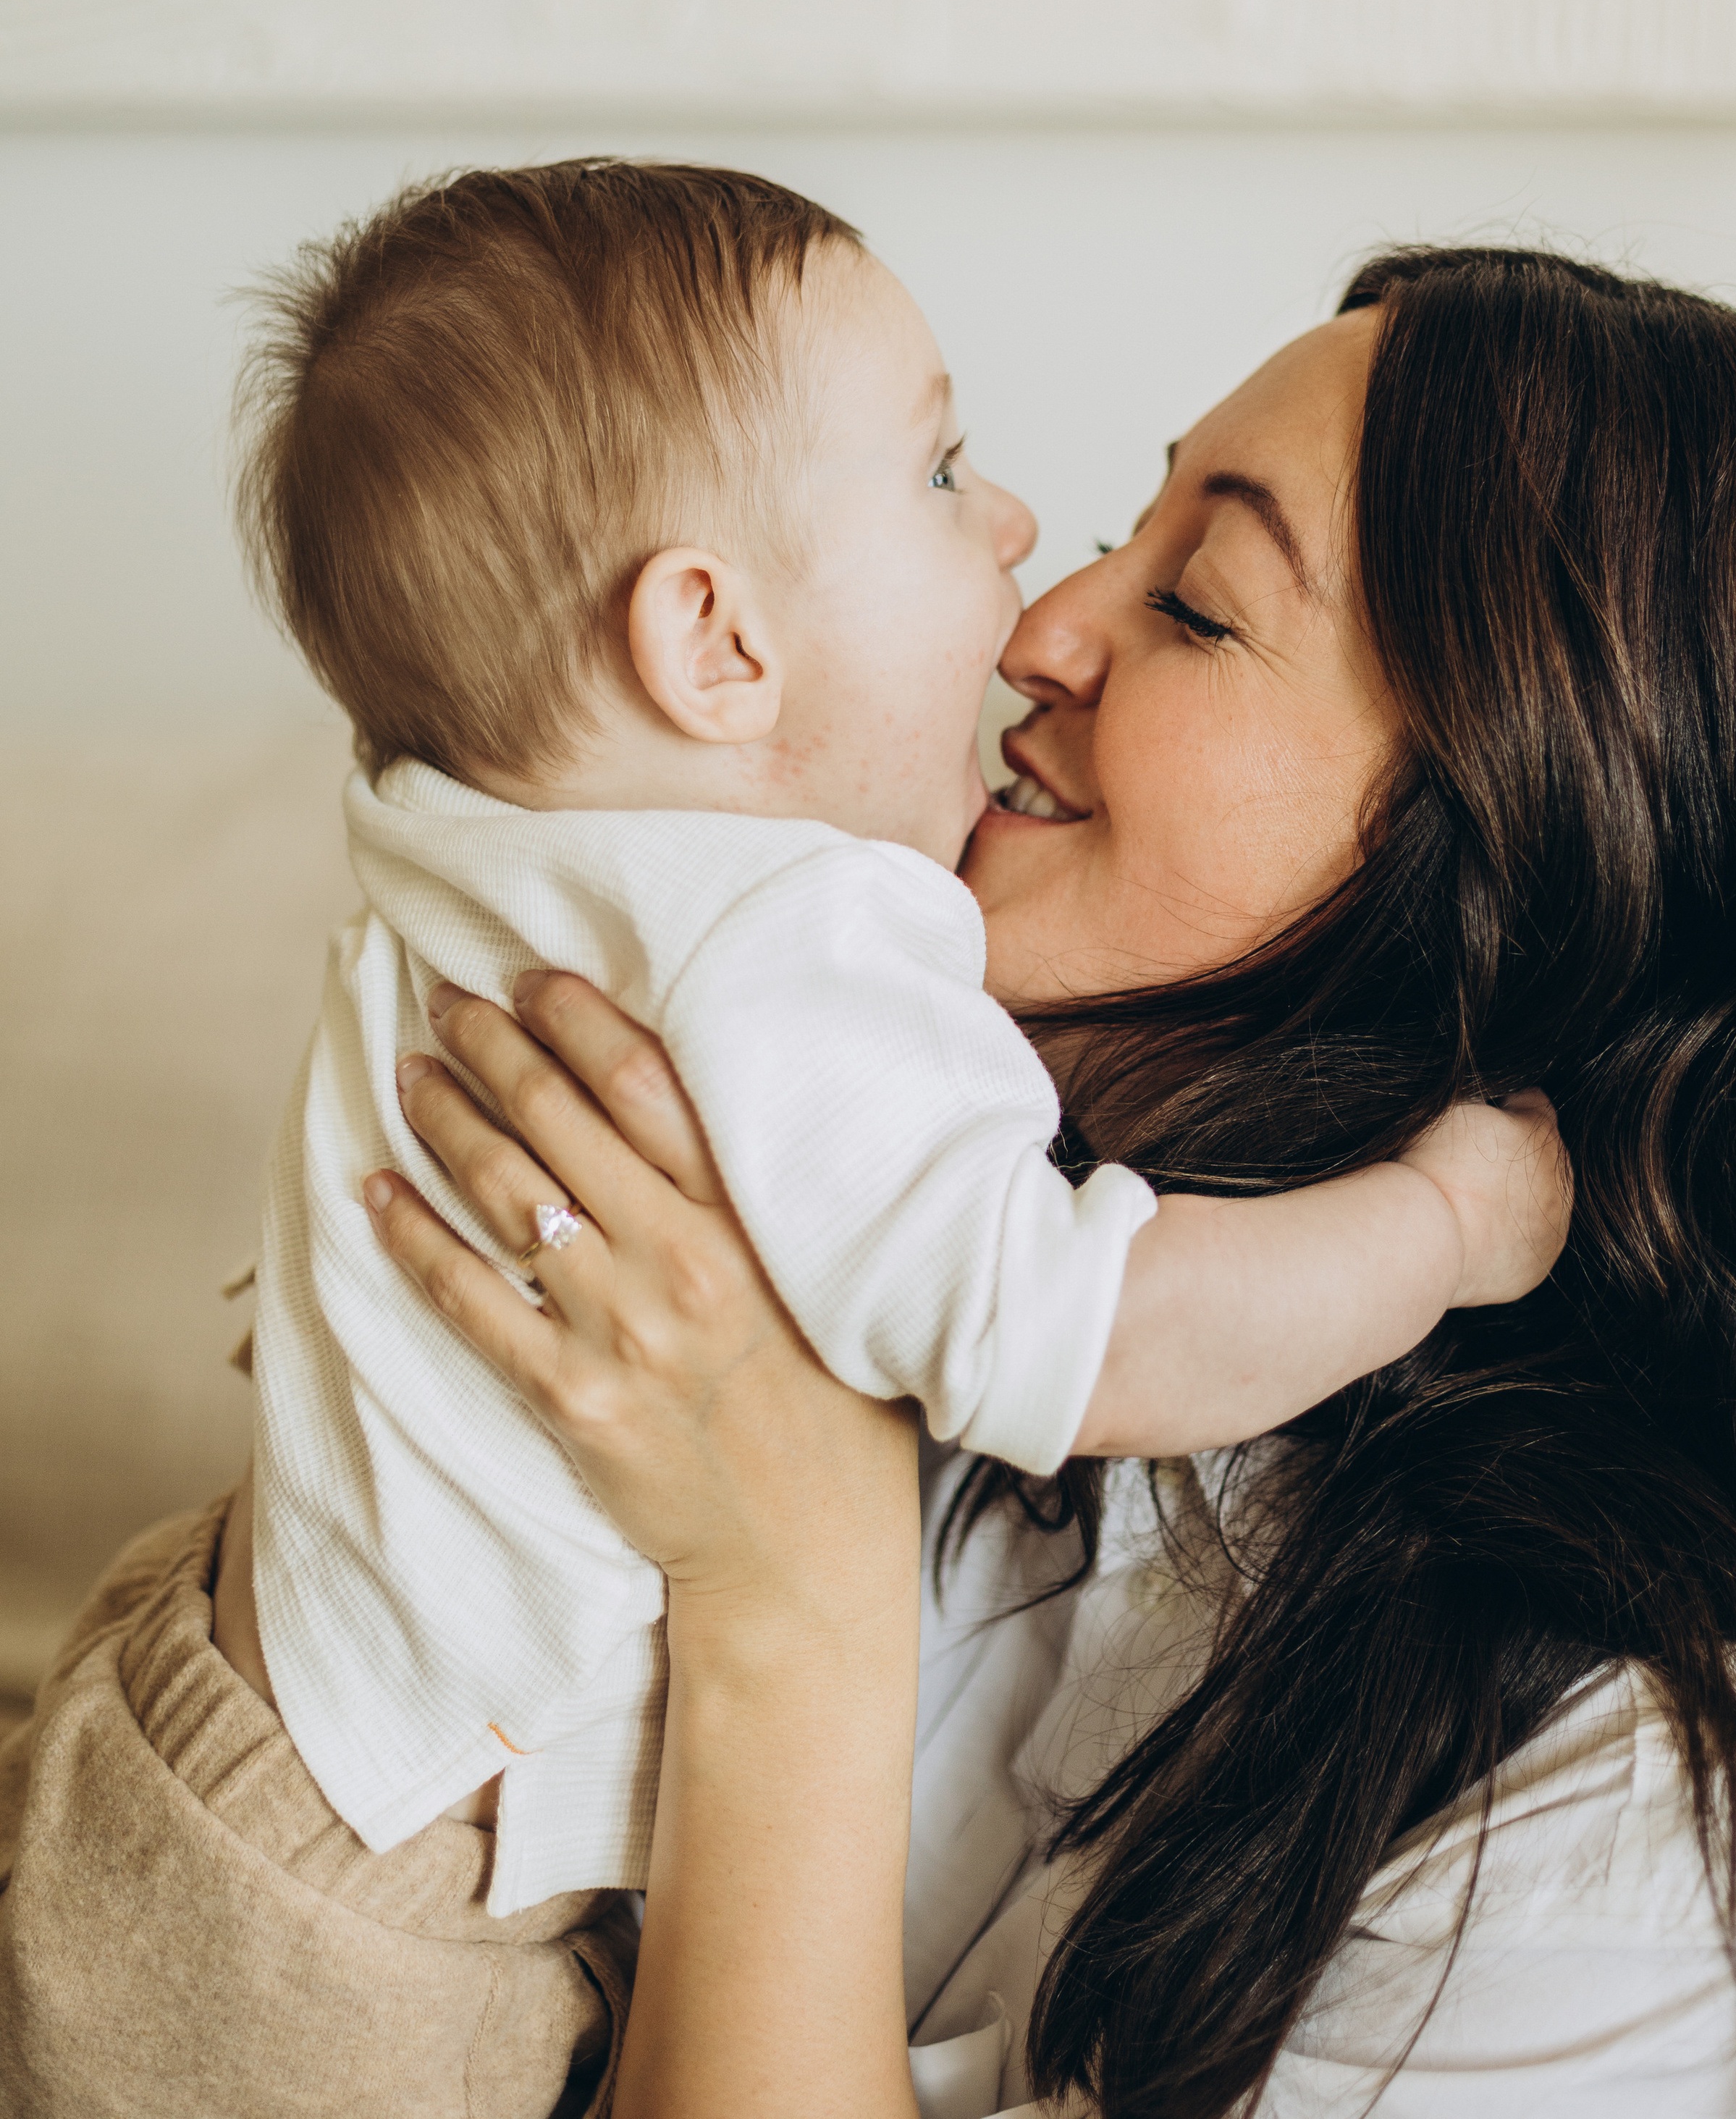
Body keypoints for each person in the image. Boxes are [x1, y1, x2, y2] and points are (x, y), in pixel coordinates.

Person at [0, 181, 1559, 2119]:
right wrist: (1441, 1221)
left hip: (222, 1714)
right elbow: (1084, 1329)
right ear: (715, 640)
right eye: (946, 472)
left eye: (1188, 594)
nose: (1029, 570)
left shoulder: (476, 833)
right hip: (380, 1883)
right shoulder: (802, 937)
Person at [362, 247, 1736, 2116]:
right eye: (1127, 537)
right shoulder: (855, 1203)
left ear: (1548, 848)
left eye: (1202, 609)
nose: (1037, 628)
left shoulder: (1646, 1848)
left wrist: (788, 1586)